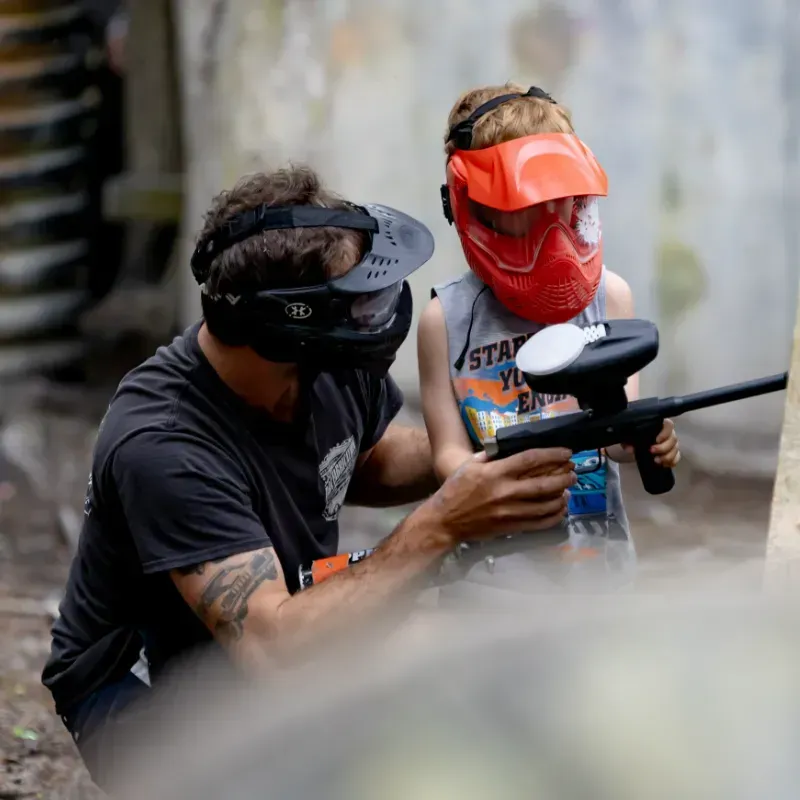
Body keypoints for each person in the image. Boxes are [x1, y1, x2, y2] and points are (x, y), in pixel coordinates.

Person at [42, 165, 578, 789]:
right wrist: (442, 523)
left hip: (279, 619)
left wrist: (496, 439)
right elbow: (273, 651)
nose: (377, 311)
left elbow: (363, 459)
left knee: (457, 663)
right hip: (151, 688)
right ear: (287, 326)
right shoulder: (163, 445)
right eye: (358, 299)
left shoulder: (323, 365)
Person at [419, 83, 681, 600]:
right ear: (472, 207)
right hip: (492, 583)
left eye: (563, 204)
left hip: (598, 578)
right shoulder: (442, 320)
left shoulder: (609, 296)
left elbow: (617, 432)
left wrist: (648, 439)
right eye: (525, 210)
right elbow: (447, 454)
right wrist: (500, 478)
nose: (552, 235)